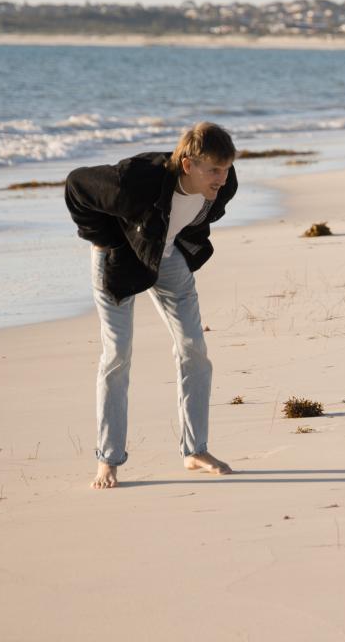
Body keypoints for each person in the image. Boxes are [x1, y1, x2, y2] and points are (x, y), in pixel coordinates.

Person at [65, 122, 238, 489]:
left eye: (225, 168)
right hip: (118, 258)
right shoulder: (135, 180)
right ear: (188, 165)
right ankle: (107, 460)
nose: (222, 179)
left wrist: (174, 241)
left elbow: (195, 217)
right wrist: (106, 239)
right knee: (117, 353)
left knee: (194, 347)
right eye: (214, 170)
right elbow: (77, 185)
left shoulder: (225, 183)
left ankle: (195, 450)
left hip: (167, 253)